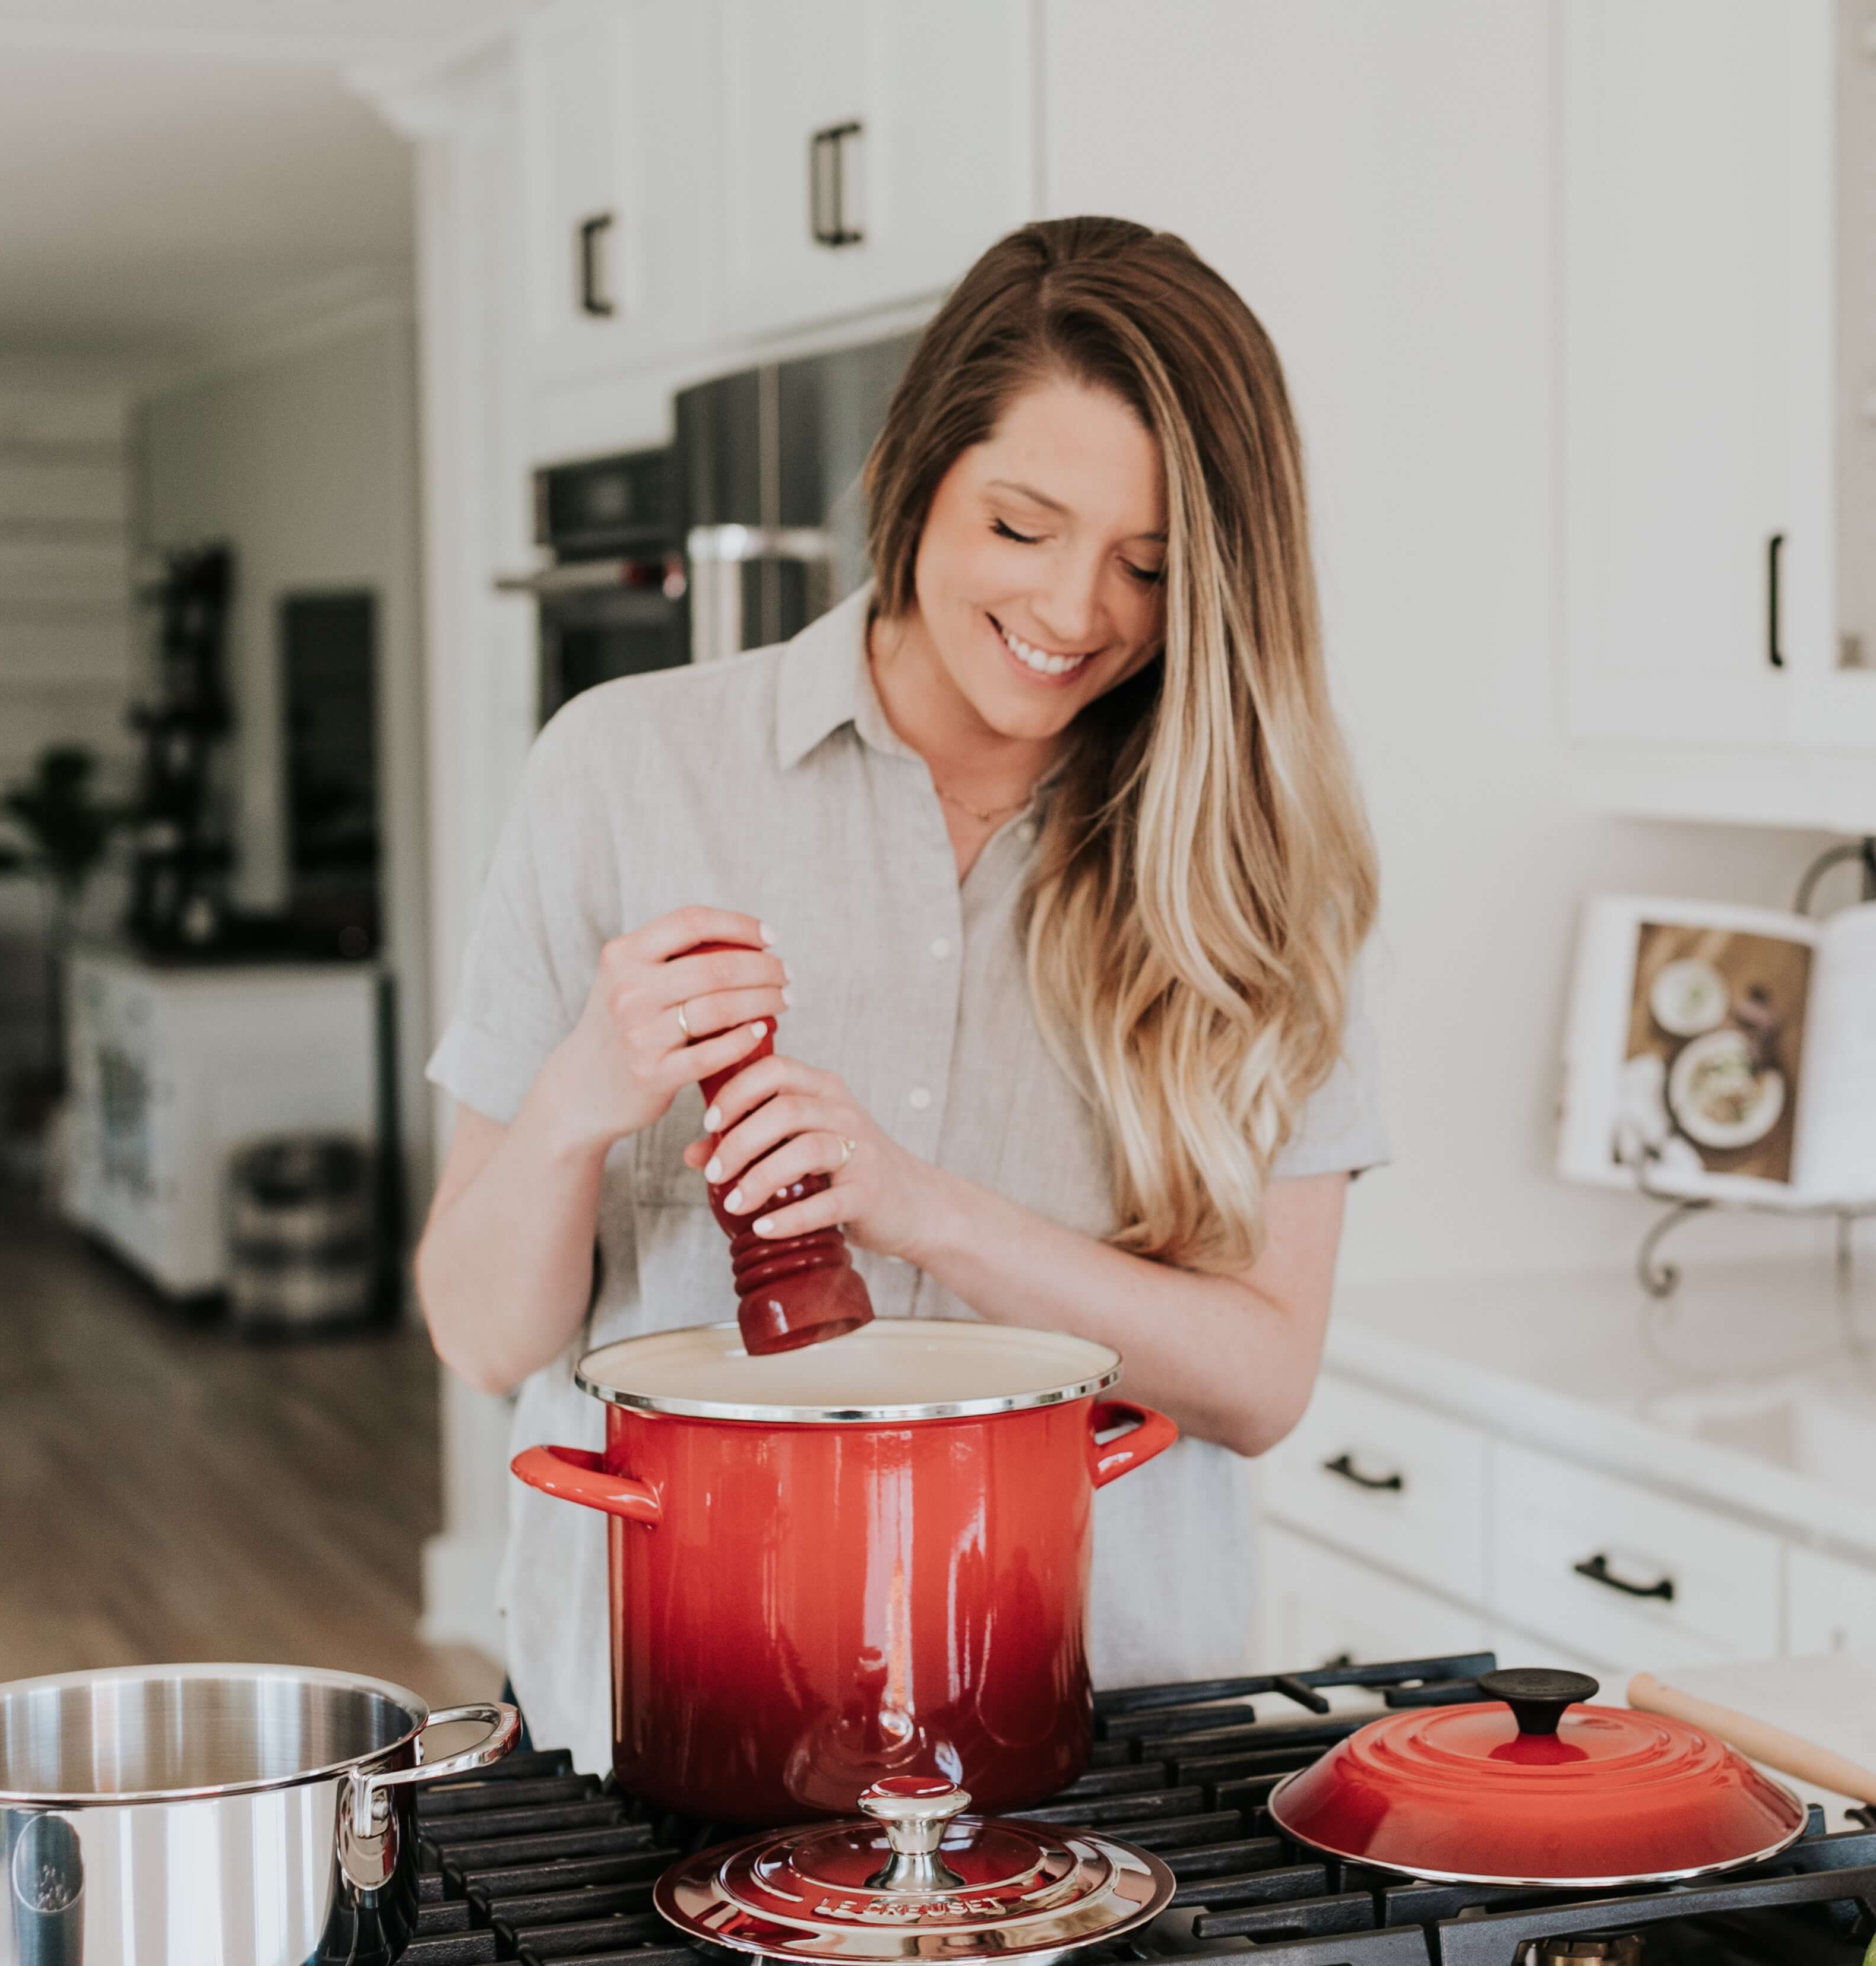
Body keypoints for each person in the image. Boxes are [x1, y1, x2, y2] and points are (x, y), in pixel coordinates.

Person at [414, 216, 1385, 1769]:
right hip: (674, 1719)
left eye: (1149, 565)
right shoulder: (627, 766)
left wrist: (918, 1206)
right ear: (916, 478)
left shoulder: (1258, 865)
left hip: (1100, 1733)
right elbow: (475, 1331)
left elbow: (1264, 1381)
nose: (1078, 610)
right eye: (1022, 526)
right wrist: (576, 1106)